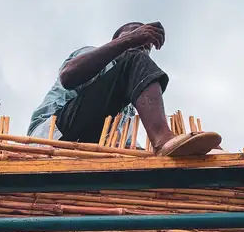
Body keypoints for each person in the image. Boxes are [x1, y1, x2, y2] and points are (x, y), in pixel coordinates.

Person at [27, 22, 222, 156]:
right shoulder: (94, 58)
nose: (140, 48)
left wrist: (192, 149)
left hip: (90, 146)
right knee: (133, 59)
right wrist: (129, 42)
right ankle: (164, 140)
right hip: (53, 137)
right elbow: (68, 77)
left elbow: (123, 144)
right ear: (117, 40)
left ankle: (167, 146)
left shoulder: (126, 104)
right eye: (135, 37)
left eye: (145, 47)